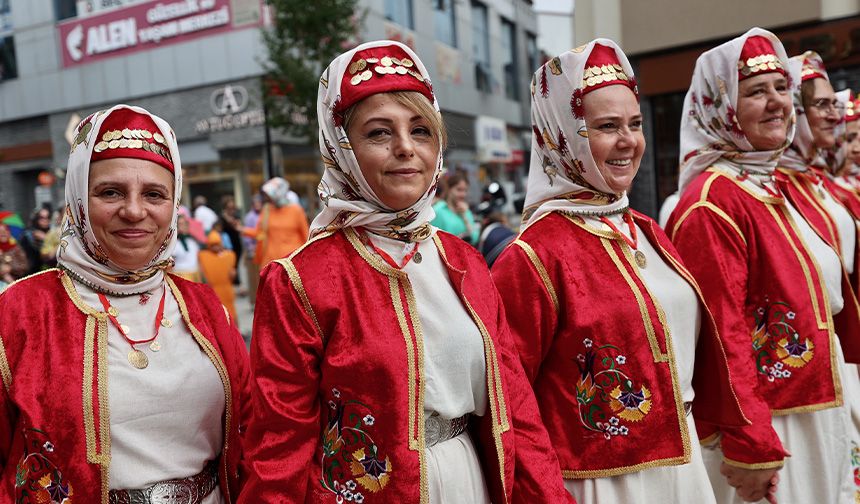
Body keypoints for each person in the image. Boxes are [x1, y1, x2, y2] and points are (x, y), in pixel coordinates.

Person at [240, 40, 573, 504]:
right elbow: (280, 444)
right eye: (379, 133)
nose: (405, 149)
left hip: (469, 480)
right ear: (342, 148)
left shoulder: (465, 261)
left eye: (421, 130)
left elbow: (516, 409)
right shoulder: (300, 280)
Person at [491, 39, 743, 504]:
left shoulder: (647, 230)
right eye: (607, 127)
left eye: (635, 124)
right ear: (562, 135)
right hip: (601, 483)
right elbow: (509, 401)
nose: (628, 141)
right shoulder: (533, 256)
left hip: (683, 466)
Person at [0, 105, 250, 502]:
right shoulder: (20, 312)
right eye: (110, 192)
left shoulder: (204, 306)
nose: (134, 211)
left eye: (154, 194)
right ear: (79, 197)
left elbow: (251, 433)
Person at [667, 30, 858, 503]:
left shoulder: (779, 186)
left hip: (816, 406)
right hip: (771, 422)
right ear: (720, 105)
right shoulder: (712, 202)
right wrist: (750, 441)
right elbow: (722, 332)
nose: (777, 103)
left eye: (780, 88)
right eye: (755, 91)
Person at [245, 177, 309, 267]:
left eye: (270, 195)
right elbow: (259, 232)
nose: (267, 198)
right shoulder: (266, 210)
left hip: (293, 263)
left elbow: (306, 237)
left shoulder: (296, 210)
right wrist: (242, 230)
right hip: (272, 262)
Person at [199, 230, 238, 324]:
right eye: (212, 245)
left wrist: (233, 273)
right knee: (217, 316)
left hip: (227, 290)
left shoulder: (229, 255)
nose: (215, 247)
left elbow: (232, 275)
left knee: (232, 313)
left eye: (217, 244)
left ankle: (237, 334)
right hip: (213, 290)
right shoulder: (203, 256)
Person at [431, 171, 480, 245]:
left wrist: (465, 217)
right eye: (459, 190)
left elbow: (475, 238)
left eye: (465, 190)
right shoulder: (438, 210)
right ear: (449, 189)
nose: (463, 194)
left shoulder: (465, 211)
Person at [242, 194, 263, 304]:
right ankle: (255, 301)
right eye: (256, 203)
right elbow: (247, 235)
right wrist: (251, 248)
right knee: (254, 278)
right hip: (254, 251)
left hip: (263, 249)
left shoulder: (265, 214)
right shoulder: (250, 217)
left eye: (259, 203)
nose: (258, 205)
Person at [19, 206, 52, 274]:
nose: (45, 220)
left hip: (50, 270)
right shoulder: (28, 235)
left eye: (48, 217)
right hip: (33, 272)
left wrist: (46, 239)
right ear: (36, 219)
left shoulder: (53, 232)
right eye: (42, 218)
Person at [220, 195, 243, 285]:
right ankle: (230, 281)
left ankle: (236, 280)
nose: (231, 209)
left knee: (236, 262)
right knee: (228, 262)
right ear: (225, 207)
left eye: (233, 207)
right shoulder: (221, 217)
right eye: (229, 207)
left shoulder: (236, 215)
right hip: (226, 242)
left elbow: (238, 226)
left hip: (236, 241)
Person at [173, 212, 203, 282]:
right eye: (180, 224)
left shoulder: (193, 242)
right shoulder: (174, 243)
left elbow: (197, 260)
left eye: (185, 224)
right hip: (181, 276)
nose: (183, 226)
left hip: (195, 275)